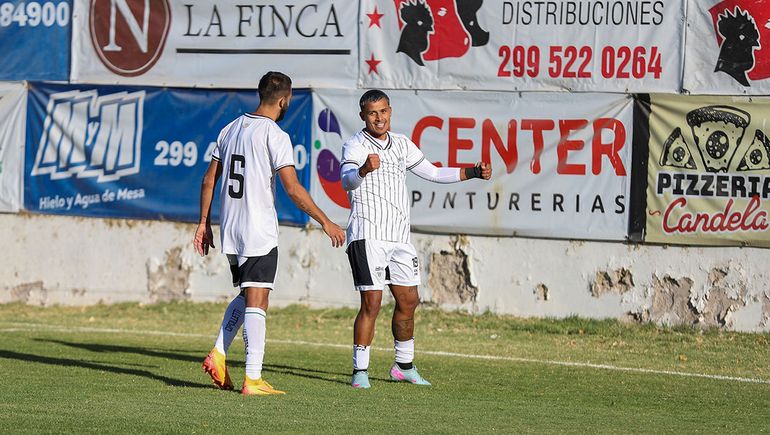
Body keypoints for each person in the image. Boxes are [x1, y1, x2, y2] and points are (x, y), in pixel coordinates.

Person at [194, 71, 345, 396]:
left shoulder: (230, 128)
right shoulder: (274, 135)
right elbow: (293, 188)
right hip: (257, 229)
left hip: (231, 228)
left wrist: (203, 222)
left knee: (247, 293)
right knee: (258, 299)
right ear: (284, 100)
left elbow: (208, 180)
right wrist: (325, 221)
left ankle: (218, 353)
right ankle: (253, 378)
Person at [339, 90, 492, 389]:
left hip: (399, 237)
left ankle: (403, 366)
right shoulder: (355, 145)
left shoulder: (401, 143)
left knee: (409, 301)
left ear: (390, 111)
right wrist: (363, 170)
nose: (379, 118)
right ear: (363, 116)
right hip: (368, 235)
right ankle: (360, 371)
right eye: (372, 113)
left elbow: (433, 173)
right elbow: (346, 181)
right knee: (372, 302)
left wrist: (473, 172)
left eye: (383, 111)